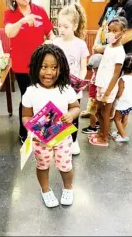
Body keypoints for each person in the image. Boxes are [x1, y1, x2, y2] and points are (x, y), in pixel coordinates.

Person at [22, 44, 80, 207]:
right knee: (42, 165)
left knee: (65, 165)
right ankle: (45, 190)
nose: (49, 72)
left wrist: (71, 115)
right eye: (44, 67)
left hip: (62, 136)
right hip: (40, 139)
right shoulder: (31, 91)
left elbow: (76, 107)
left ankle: (68, 188)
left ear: (61, 69)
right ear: (35, 68)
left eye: (54, 67)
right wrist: (32, 128)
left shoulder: (66, 89)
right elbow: (25, 116)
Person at [80, 0, 132, 119]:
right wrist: (96, 46)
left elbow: (128, 35)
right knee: (98, 84)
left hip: (118, 56)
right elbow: (102, 26)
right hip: (104, 55)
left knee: (113, 88)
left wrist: (103, 49)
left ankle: (107, 119)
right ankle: (94, 112)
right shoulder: (112, 4)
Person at [4, 0, 55, 143]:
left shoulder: (39, 10)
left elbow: (50, 33)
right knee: (27, 98)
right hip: (21, 66)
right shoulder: (10, 14)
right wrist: (22, 21)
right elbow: (10, 32)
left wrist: (51, 42)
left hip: (41, 65)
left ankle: (44, 130)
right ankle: (24, 132)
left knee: (44, 97)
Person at [53, 3, 89, 155]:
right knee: (57, 114)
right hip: (57, 87)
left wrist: (79, 82)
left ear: (74, 26)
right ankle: (58, 139)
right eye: (59, 25)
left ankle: (73, 141)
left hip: (74, 90)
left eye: (65, 26)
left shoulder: (80, 44)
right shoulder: (55, 43)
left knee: (73, 116)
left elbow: (83, 67)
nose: (61, 29)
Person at [88, 17, 127, 146]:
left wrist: (107, 93)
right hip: (100, 84)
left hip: (108, 88)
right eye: (109, 30)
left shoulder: (120, 52)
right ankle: (101, 133)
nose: (111, 33)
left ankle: (104, 138)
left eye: (115, 31)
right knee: (98, 111)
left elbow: (116, 74)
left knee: (105, 113)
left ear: (123, 32)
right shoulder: (109, 47)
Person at [111, 53, 132, 142]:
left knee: (117, 119)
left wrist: (113, 97)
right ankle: (120, 132)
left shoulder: (122, 79)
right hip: (131, 101)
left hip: (122, 103)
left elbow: (119, 94)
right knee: (125, 117)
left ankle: (123, 136)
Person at [81, 54, 103, 134]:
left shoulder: (100, 76)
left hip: (94, 97)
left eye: (96, 68)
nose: (94, 70)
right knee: (96, 112)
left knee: (92, 113)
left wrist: (95, 98)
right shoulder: (96, 72)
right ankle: (98, 123)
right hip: (93, 96)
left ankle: (92, 127)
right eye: (93, 68)